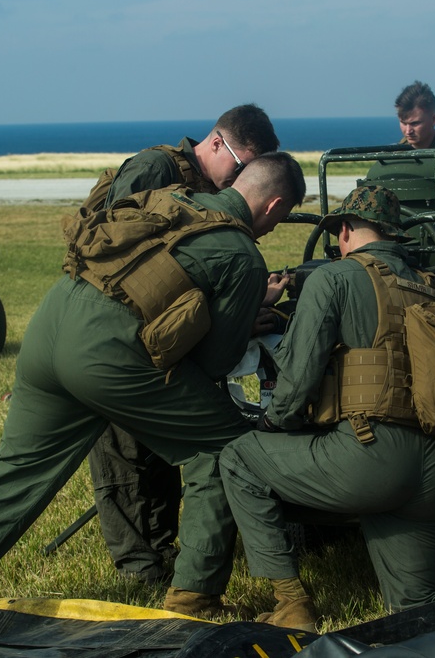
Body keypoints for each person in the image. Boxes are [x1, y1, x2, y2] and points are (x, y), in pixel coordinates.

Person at [0, 152, 307, 656]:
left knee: (10, 478)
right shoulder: (241, 253)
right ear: (275, 206)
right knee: (224, 452)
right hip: (108, 353)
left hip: (52, 326)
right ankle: (195, 601)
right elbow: (214, 364)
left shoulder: (172, 199)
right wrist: (246, 313)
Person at [220, 185, 435, 632]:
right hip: (431, 461)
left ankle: (292, 605)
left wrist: (274, 421)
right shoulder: (425, 285)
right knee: (421, 609)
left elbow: (298, 376)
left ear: (345, 229)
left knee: (238, 459)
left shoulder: (335, 277)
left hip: (368, 455)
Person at [80, 104, 282, 585]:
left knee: (161, 454)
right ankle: (140, 568)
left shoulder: (208, 189)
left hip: (165, 335)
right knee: (124, 451)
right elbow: (122, 260)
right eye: (241, 168)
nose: (241, 183)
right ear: (216, 144)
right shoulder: (156, 170)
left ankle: (161, 551)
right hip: (123, 331)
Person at [395, 80, 435, 149]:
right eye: (404, 123)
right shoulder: (392, 153)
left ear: (434, 119)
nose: (408, 131)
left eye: (415, 123)